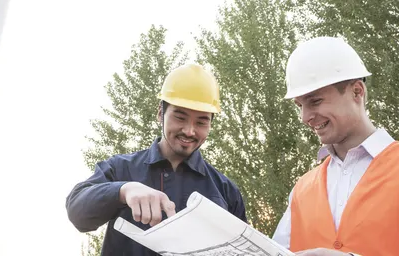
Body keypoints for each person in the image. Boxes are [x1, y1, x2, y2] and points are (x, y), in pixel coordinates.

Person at [65, 63, 247, 255]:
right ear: (161, 113)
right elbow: (77, 213)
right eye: (180, 117)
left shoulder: (226, 191)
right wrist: (123, 190)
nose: (189, 130)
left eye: (201, 122)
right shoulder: (121, 169)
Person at [272, 36, 399, 256]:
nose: (304, 117)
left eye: (315, 101)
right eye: (300, 105)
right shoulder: (302, 190)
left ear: (357, 92)